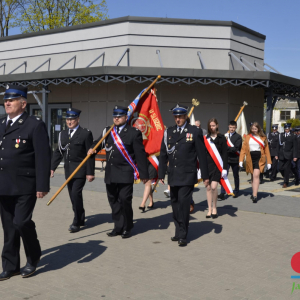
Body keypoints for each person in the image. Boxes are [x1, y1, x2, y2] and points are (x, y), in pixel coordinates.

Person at [0, 85, 51, 280]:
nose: (7, 103)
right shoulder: (2, 123)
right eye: (6, 100)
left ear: (23, 103)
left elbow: (42, 157)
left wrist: (42, 185)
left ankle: (33, 257)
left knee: (21, 222)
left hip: (24, 185)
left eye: (12, 100)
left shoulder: (34, 125)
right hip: (4, 185)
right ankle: (10, 265)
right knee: (8, 227)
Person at [88, 105, 148, 238]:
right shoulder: (108, 131)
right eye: (114, 116)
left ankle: (127, 226)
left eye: (119, 116)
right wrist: (92, 148)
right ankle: (118, 226)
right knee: (113, 200)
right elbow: (98, 143)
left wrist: (144, 174)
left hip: (125, 172)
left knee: (125, 199)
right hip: (110, 173)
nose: (116, 118)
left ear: (126, 117)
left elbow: (140, 155)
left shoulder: (133, 133)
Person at [158, 104, 209, 246]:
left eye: (180, 116)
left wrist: (205, 176)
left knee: (183, 205)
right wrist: (161, 173)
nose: (178, 119)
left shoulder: (194, 131)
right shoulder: (169, 131)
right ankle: (178, 230)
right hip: (173, 175)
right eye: (175, 117)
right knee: (174, 205)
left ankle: (183, 234)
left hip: (187, 175)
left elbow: (201, 155)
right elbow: (163, 154)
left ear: (186, 116)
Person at [51, 108, 95, 233]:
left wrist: (90, 172)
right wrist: (52, 168)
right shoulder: (62, 134)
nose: (69, 122)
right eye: (68, 120)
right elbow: (58, 152)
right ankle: (80, 217)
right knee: (73, 196)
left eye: (72, 119)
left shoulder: (85, 133)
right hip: (68, 170)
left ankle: (76, 221)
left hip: (80, 170)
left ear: (78, 120)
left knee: (75, 193)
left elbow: (90, 155)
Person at [239, 122, 271, 203]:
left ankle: (255, 195)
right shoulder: (248, 137)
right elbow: (243, 149)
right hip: (250, 158)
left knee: (256, 175)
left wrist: (269, 162)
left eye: (255, 129)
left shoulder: (263, 137)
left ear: (258, 129)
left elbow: (267, 150)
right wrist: (241, 160)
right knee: (253, 176)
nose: (254, 130)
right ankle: (253, 193)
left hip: (259, 158)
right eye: (252, 129)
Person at [204, 118, 227, 218]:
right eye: (210, 126)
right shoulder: (206, 138)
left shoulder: (222, 138)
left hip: (218, 166)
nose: (212, 127)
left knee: (214, 187)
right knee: (208, 188)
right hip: (207, 165)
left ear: (217, 125)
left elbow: (225, 154)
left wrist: (225, 168)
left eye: (213, 125)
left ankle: (215, 207)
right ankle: (209, 209)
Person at [218, 120, 242, 200]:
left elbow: (235, 148)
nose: (232, 129)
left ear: (236, 127)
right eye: (230, 127)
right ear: (228, 127)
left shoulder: (238, 137)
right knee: (224, 175)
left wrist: (227, 148)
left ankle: (236, 191)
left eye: (233, 127)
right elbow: (221, 146)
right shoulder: (225, 136)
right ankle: (222, 192)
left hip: (235, 159)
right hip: (226, 159)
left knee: (236, 175)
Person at [277, 123, 297, 188]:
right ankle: (286, 176)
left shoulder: (293, 136)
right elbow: (278, 145)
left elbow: (294, 147)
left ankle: (286, 182)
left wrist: (294, 156)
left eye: (287, 129)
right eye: (285, 129)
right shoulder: (281, 135)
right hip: (281, 154)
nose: (286, 130)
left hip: (289, 155)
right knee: (280, 168)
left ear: (289, 129)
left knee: (286, 168)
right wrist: (276, 154)